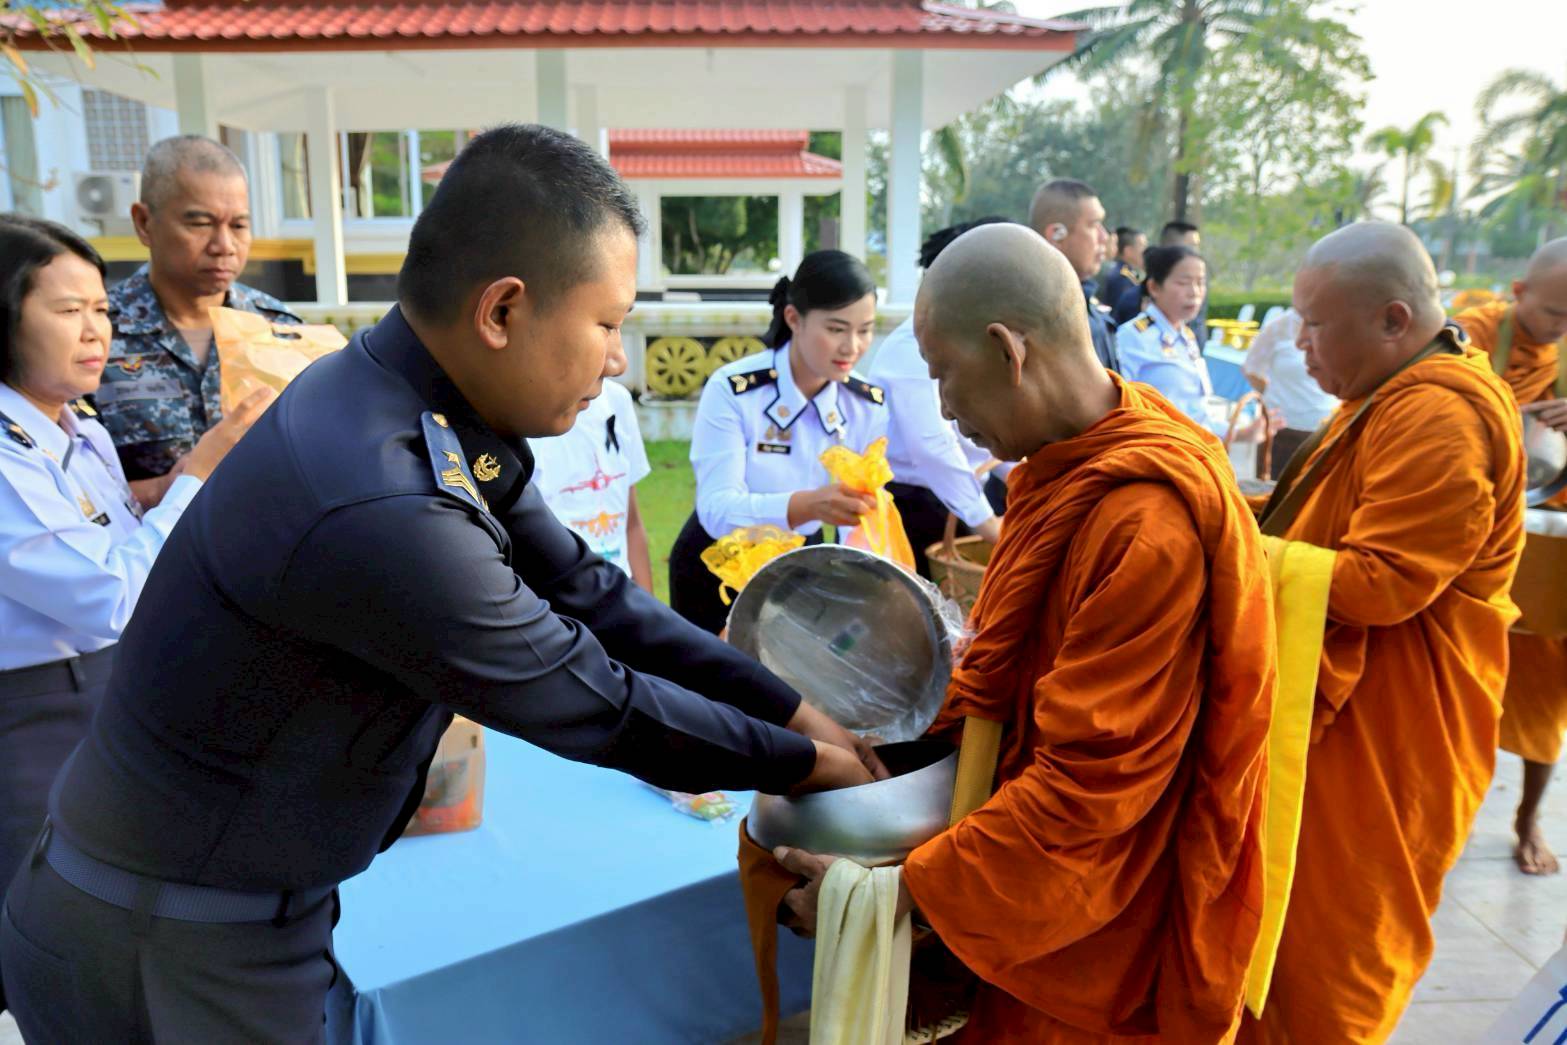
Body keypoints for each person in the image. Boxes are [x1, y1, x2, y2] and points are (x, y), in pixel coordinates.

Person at [0, 125, 883, 1043]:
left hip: (224, 913)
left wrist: (791, 711)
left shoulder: (411, 402)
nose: (618, 358)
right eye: (606, 323)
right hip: (161, 948)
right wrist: (809, 764)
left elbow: (588, 588)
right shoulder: (378, 494)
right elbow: (592, 697)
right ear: (501, 310)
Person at [773, 223, 1274, 1041]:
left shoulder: (1145, 525)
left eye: (944, 375)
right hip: (1013, 868)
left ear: (1009, 350)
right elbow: (1000, 670)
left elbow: (1089, 793)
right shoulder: (1063, 464)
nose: (943, 408)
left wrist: (889, 893)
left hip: (1085, 926)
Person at [1237, 223, 1526, 1043]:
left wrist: (1225, 548)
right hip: (1341, 718)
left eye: (1313, 324)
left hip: (1387, 731)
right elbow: (1316, 520)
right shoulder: (1382, 393)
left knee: (1327, 961)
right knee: (1275, 944)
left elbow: (1382, 583)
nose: (1298, 343)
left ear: (1393, 320)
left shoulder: (1438, 413)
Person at [0, 216, 269, 1012]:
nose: (96, 331)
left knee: (102, 925)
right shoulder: (8, 451)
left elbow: (116, 536)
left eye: (101, 309)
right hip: (37, 714)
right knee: (48, 931)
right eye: (67, 310)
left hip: (105, 692)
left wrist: (179, 483)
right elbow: (112, 593)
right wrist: (200, 475)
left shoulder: (75, 424)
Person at [670, 250, 886, 634]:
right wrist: (807, 505)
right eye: (836, 329)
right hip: (717, 565)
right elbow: (717, 510)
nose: (852, 346)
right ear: (793, 319)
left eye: (865, 330)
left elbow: (862, 518)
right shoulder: (734, 390)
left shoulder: (865, 405)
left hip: (801, 568)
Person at [96, 135, 299, 510]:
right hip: (147, 544)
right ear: (144, 222)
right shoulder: (95, 332)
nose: (224, 245)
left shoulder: (279, 330)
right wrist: (163, 489)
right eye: (201, 223)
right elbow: (60, 484)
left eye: (239, 226)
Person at [1453, 235, 1567, 876]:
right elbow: (1436, 406)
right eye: (1554, 313)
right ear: (1519, 292)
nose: (1562, 328)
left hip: (1550, 547)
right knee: (1458, 683)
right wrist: (1514, 414)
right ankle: (1449, 804)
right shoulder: (1472, 335)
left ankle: (1528, 817)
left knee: (1546, 695)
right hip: (1477, 535)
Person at [870, 218, 1006, 579]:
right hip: (918, 505)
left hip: (965, 495)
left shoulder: (977, 337)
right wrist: (986, 523)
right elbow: (933, 447)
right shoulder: (909, 347)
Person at [528, 378, 654, 591]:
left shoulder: (617, 399)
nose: (620, 365)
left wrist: (647, 604)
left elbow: (631, 523)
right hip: (556, 597)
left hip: (620, 593)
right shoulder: (525, 418)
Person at [1027, 178, 1118, 372]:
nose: (1104, 237)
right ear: (1056, 235)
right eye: (1093, 225)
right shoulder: (1039, 318)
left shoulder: (1088, 305)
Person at [1243, 306, 1339, 476]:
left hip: (1327, 429)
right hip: (1281, 430)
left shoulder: (1341, 322)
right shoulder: (1278, 326)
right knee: (1272, 487)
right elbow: (1251, 369)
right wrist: (1275, 396)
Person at [1112, 220, 1203, 326]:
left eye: (1200, 282)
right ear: (1154, 287)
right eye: (1183, 283)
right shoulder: (1135, 295)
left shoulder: (1184, 332)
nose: (1194, 292)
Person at [1099, 225, 1145, 320]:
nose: (1145, 251)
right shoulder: (1121, 278)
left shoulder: (1130, 275)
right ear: (1128, 251)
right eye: (1142, 246)